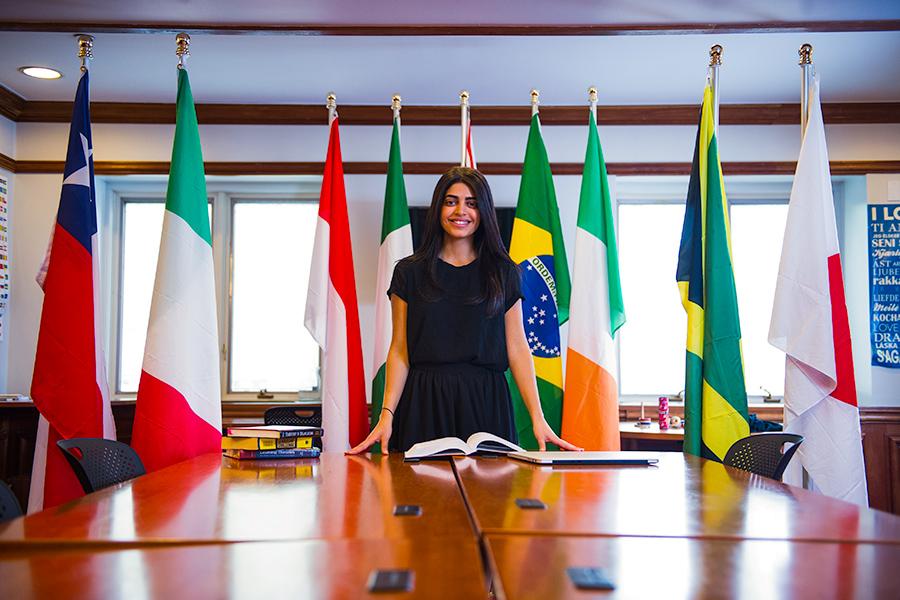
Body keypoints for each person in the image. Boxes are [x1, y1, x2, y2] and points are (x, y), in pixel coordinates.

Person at [348, 167, 580, 454]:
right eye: (451, 201)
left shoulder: (504, 272)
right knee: (421, 494)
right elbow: (399, 349)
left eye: (471, 203)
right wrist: (386, 415)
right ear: (438, 208)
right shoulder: (408, 272)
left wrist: (537, 416)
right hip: (424, 400)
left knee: (489, 496)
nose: (461, 211)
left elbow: (518, 346)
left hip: (487, 401)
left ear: (483, 211)